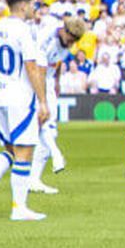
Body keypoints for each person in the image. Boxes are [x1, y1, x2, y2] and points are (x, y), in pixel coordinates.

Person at [0, 0, 51, 222]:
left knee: (9, 149)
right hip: (19, 96)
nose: (33, 8)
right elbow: (32, 67)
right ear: (24, 5)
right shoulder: (24, 31)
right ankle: (19, 207)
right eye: (32, 4)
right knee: (25, 151)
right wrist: (43, 101)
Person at [27, 12, 87, 193]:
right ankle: (55, 154)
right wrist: (43, 98)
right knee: (44, 122)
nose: (71, 44)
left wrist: (57, 83)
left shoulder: (67, 43)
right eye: (70, 39)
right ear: (64, 30)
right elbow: (39, 69)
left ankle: (34, 179)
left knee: (49, 130)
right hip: (35, 80)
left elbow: (58, 63)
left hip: (50, 81)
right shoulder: (47, 37)